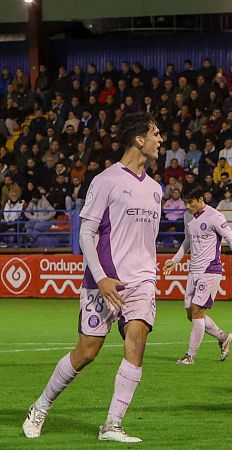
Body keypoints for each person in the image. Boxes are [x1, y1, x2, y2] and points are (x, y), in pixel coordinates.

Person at [22, 112, 164, 442]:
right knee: (86, 352)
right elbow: (86, 233)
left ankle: (111, 425)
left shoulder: (156, 189)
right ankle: (40, 406)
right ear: (139, 140)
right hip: (104, 281)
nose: (161, 140)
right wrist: (100, 277)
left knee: (138, 338)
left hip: (141, 280)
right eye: (156, 134)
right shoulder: (106, 180)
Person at [163, 186, 232, 365]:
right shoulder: (188, 216)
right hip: (193, 270)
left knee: (197, 312)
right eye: (186, 203)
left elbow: (231, 240)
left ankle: (190, 356)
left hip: (210, 270)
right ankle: (223, 337)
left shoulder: (215, 217)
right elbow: (187, 241)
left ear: (201, 199)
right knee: (191, 314)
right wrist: (175, 260)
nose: (188, 206)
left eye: (191, 203)